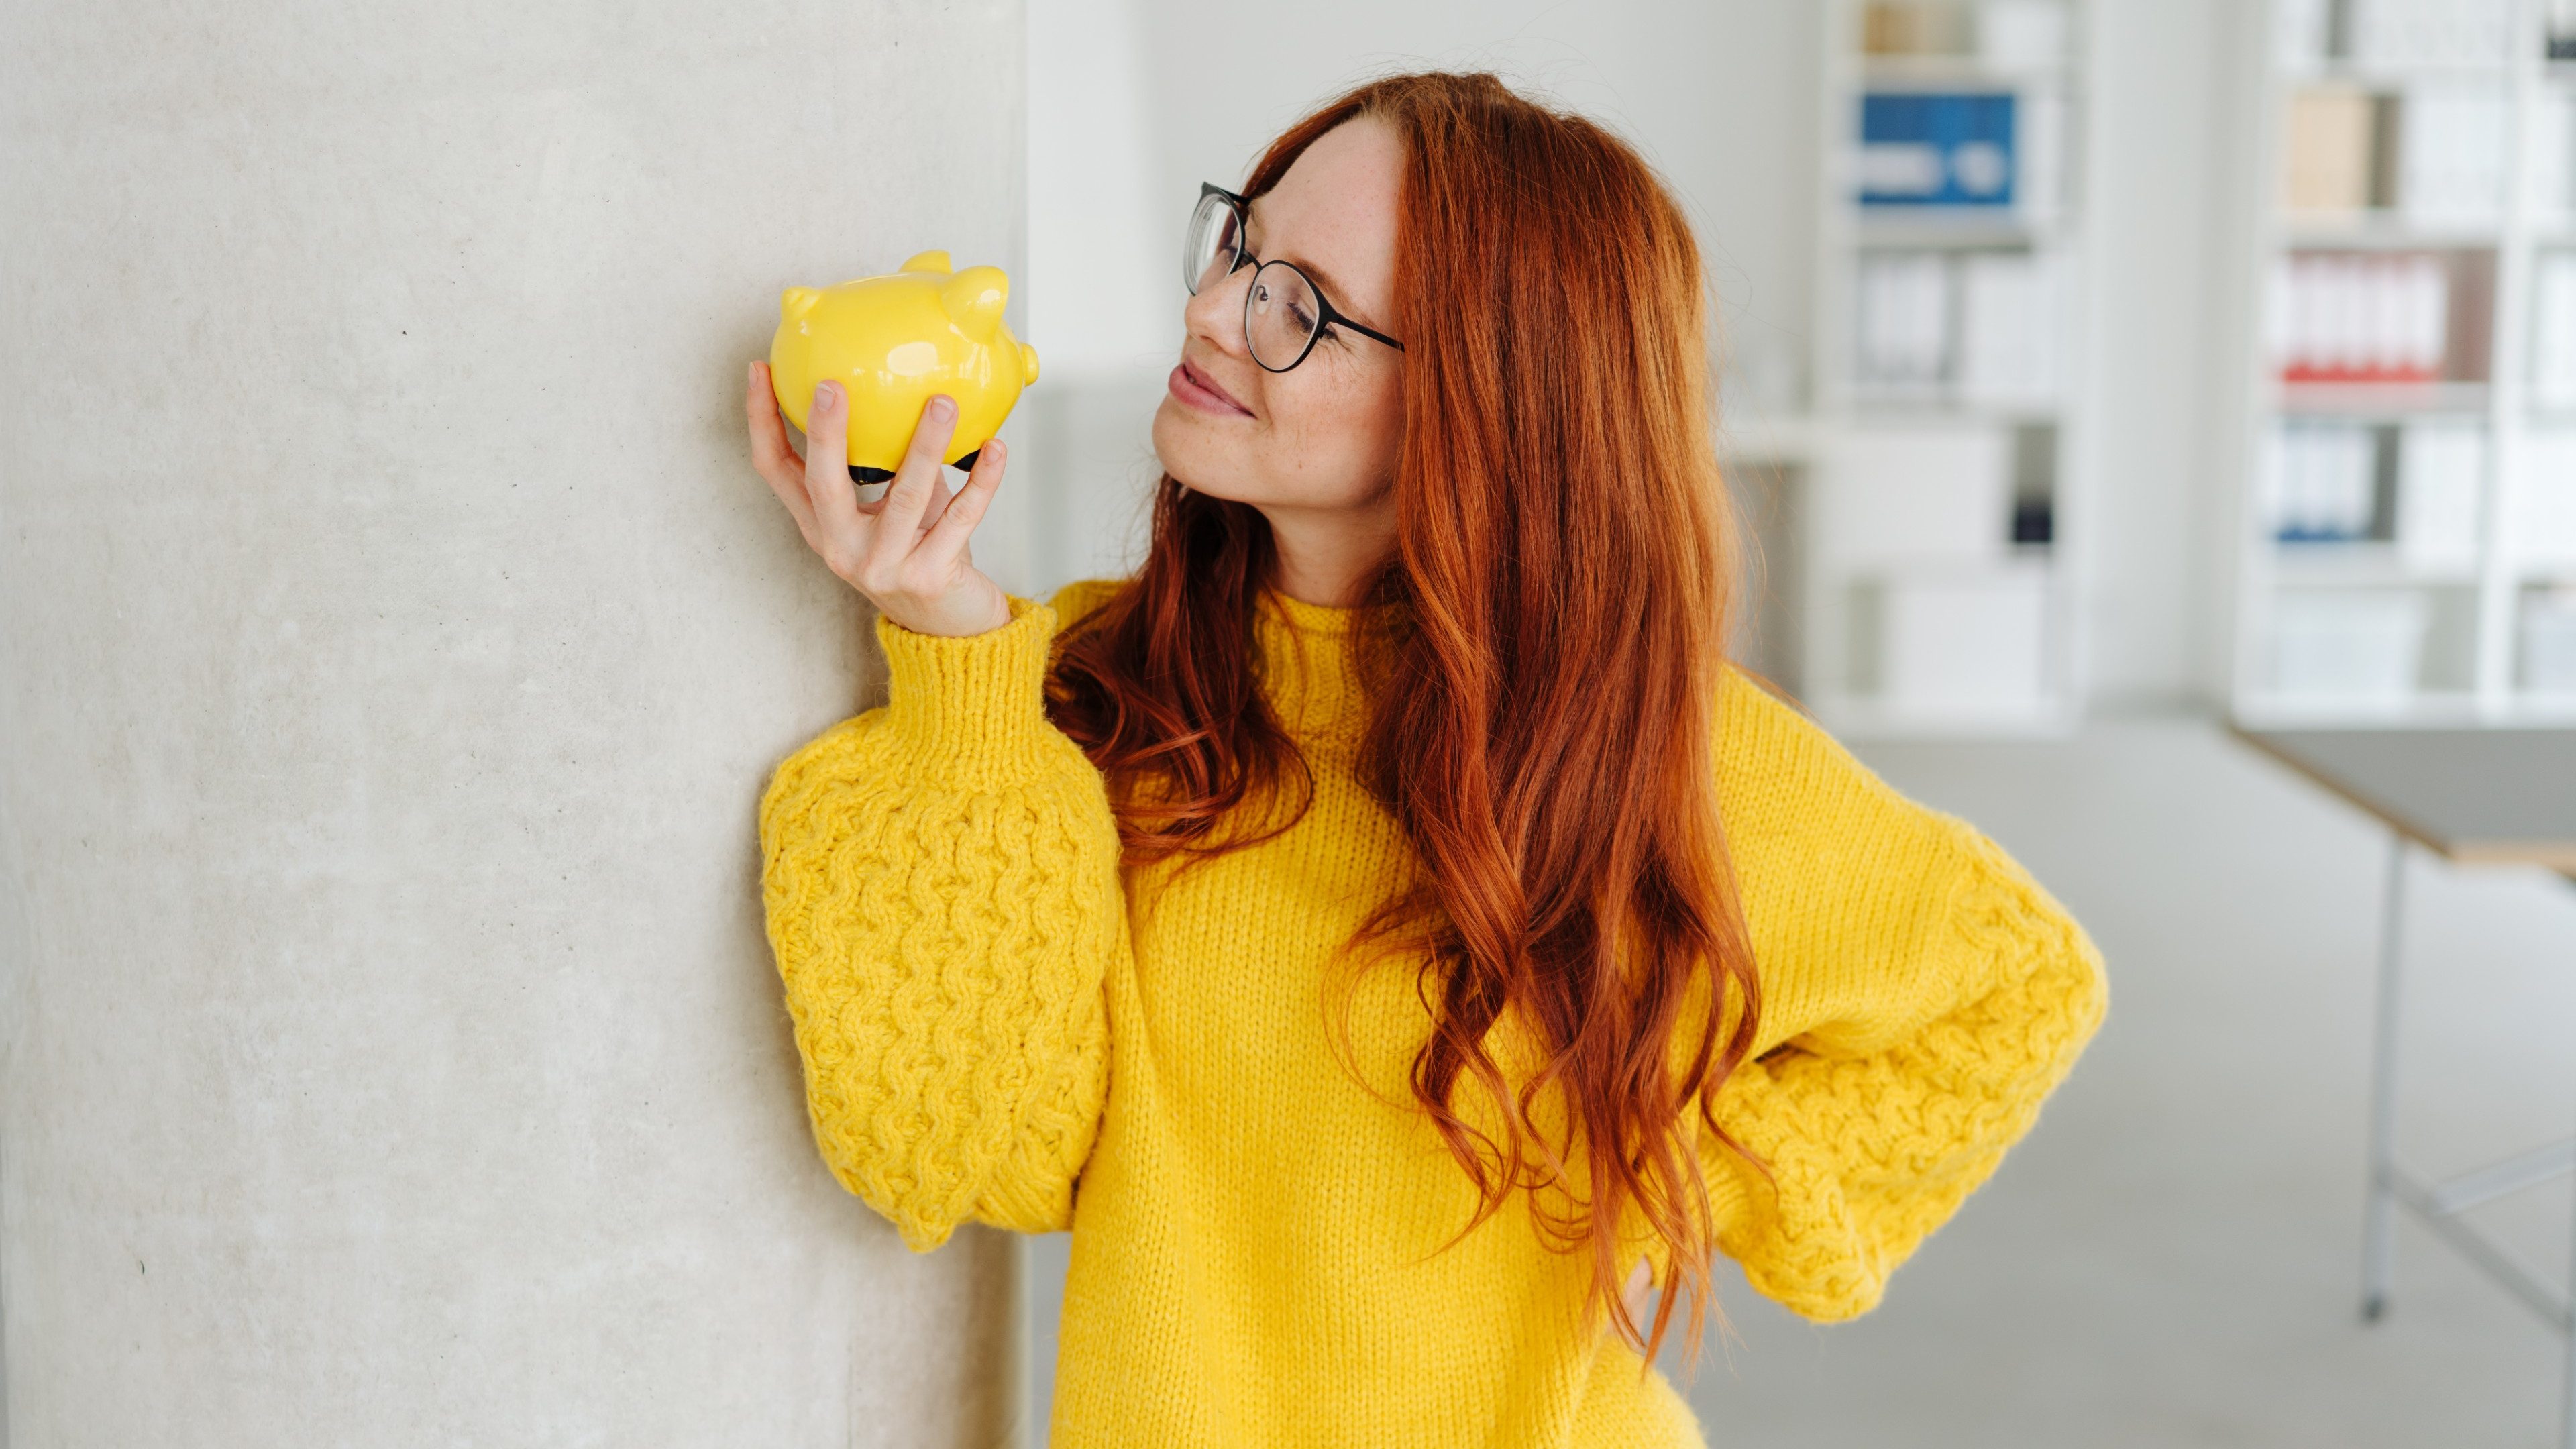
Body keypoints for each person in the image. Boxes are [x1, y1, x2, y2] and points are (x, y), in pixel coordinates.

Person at [744, 69, 2106, 1449]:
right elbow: (969, 1150)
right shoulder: (1088, 699)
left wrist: (1668, 1149)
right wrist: (952, 650)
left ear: (1485, 399)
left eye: (1302, 307)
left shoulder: (1659, 755)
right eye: (1242, 246)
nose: (1212, 313)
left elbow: (2016, 993)